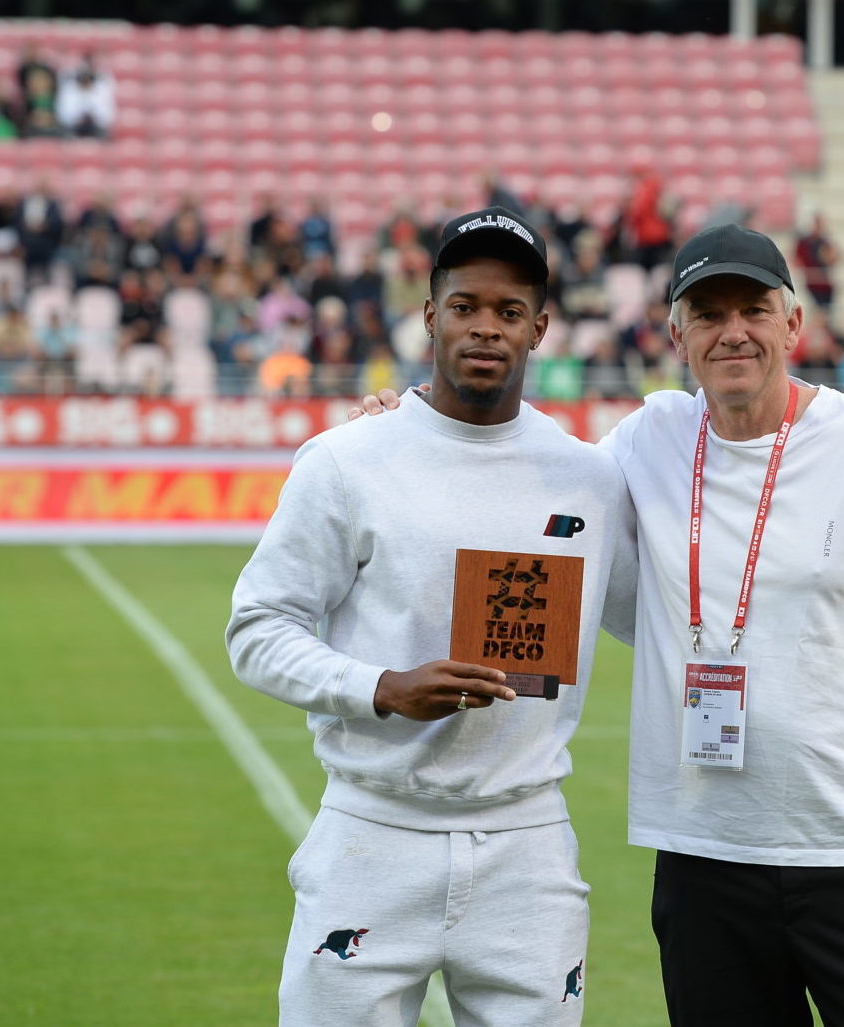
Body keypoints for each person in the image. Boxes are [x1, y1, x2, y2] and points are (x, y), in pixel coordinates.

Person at [359, 222, 844, 1024]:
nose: (733, 331)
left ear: (792, 325)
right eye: (707, 313)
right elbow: (526, 480)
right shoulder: (648, 438)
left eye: (754, 310)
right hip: (703, 858)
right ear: (677, 336)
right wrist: (408, 425)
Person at [228, 206, 635, 1026]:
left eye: (509, 310)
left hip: (528, 846)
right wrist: (382, 687)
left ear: (540, 328)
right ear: (429, 315)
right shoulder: (348, 460)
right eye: (465, 306)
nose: (485, 327)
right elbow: (257, 630)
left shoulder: (590, 478)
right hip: (371, 833)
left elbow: (653, 621)